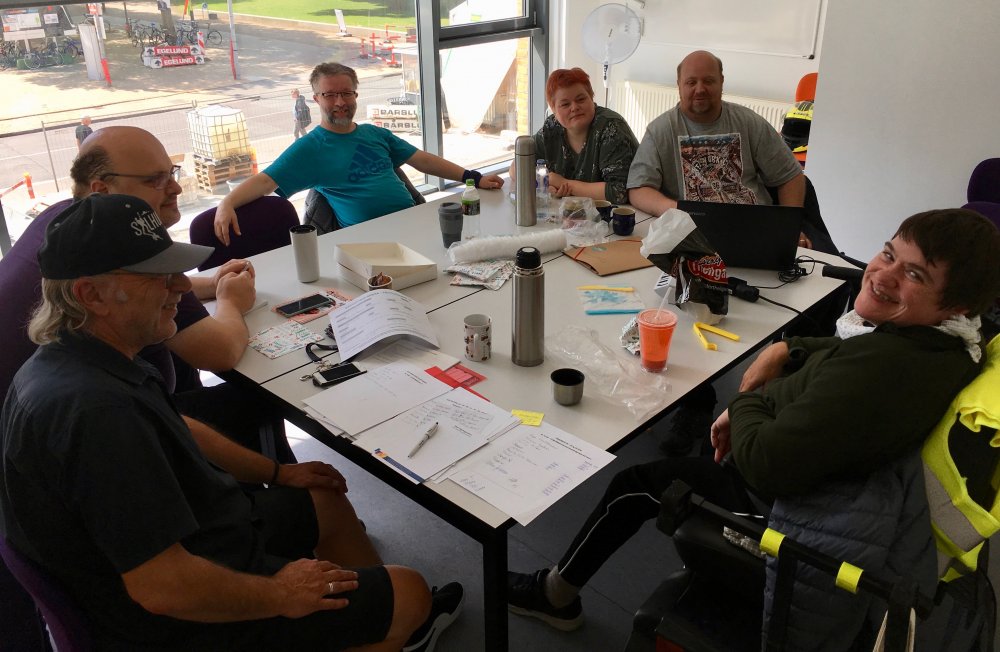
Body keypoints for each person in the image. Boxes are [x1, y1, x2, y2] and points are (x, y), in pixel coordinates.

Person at [0, 194, 463, 651]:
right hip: (169, 616)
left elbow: (179, 426)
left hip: (201, 532)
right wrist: (280, 593)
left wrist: (278, 472)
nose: (181, 288)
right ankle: (384, 622)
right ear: (91, 294)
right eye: (158, 277)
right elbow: (162, 587)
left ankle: (372, 623)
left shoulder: (87, 356)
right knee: (410, 593)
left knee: (323, 497)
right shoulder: (97, 416)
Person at [507, 209, 1000, 634]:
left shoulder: (883, 369)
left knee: (634, 485)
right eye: (888, 254)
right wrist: (788, 348)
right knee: (707, 449)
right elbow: (850, 355)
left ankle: (555, 595)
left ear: (955, 304)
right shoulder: (950, 345)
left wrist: (743, 401)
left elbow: (765, 464)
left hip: (796, 514)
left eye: (914, 275)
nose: (884, 275)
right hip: (838, 483)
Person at [627, 50, 810, 455]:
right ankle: (696, 404)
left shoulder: (748, 123)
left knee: (797, 308)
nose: (700, 89)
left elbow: (790, 176)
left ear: (722, 83)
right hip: (695, 242)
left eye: (708, 80)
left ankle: (781, 393)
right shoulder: (662, 130)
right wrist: (679, 211)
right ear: (678, 86)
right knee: (682, 314)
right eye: (691, 82)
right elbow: (638, 189)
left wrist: (790, 226)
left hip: (755, 235)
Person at [213, 62, 505, 244]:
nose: (340, 102)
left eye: (346, 93)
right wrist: (227, 202)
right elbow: (265, 181)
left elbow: (423, 160)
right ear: (316, 99)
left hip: (413, 224)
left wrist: (472, 177)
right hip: (367, 240)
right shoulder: (311, 148)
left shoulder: (374, 134)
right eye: (330, 95)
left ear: (355, 95)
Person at [508, 67, 638, 204]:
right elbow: (515, 169)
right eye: (565, 104)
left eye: (581, 99)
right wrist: (544, 183)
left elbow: (618, 192)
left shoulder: (611, 127)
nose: (574, 107)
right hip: (574, 211)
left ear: (592, 98)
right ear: (553, 110)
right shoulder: (551, 128)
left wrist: (564, 184)